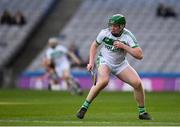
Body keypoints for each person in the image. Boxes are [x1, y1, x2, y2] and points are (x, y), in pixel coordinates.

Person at [76, 14, 152, 120]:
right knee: (103, 81)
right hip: (104, 60)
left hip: (121, 64)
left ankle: (142, 113)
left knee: (137, 83)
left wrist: (124, 46)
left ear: (122, 26)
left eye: (116, 26)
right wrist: (91, 62)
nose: (113, 28)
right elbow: (94, 45)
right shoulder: (104, 33)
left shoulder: (128, 35)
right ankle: (84, 107)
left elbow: (140, 55)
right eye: (111, 25)